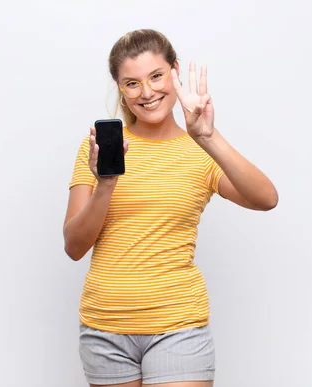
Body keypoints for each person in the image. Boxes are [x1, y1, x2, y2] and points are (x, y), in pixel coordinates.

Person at [63, 29, 278, 387]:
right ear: (120, 89)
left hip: (178, 325)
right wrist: (105, 184)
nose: (147, 93)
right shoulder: (97, 153)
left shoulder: (200, 152)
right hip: (104, 327)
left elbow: (266, 199)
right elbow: (74, 246)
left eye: (156, 76)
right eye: (132, 84)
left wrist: (208, 136)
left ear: (174, 71)